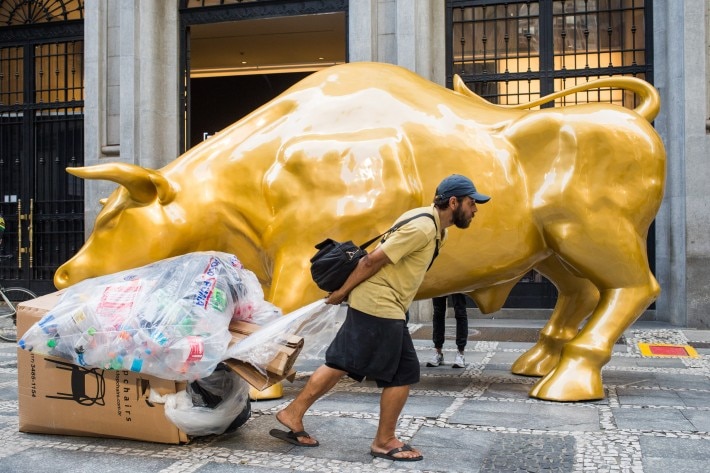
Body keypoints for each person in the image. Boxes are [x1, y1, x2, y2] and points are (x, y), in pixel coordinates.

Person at [269, 174, 490, 462]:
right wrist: (341, 292)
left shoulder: (435, 228)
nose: (475, 209)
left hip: (381, 303)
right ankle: (384, 441)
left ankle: (293, 413)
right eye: (472, 203)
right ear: (453, 202)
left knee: (341, 361)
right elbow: (372, 260)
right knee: (402, 371)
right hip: (379, 304)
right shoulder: (423, 227)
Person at [427, 293, 469, 368]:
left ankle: (461, 353)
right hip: (439, 281)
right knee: (438, 313)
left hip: (458, 282)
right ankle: (438, 352)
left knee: (460, 312)